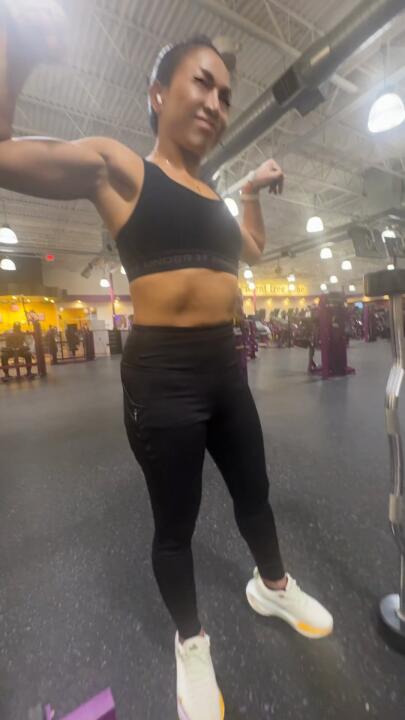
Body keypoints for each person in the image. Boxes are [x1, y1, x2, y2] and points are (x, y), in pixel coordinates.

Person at [0, 5, 333, 719]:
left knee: (254, 493)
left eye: (225, 95)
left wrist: (249, 193)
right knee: (175, 524)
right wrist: (15, 52)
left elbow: (252, 249)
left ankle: (272, 586)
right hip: (163, 378)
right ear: (158, 93)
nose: (215, 102)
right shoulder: (120, 169)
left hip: (225, 369)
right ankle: (192, 642)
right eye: (201, 83)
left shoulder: (214, 198)